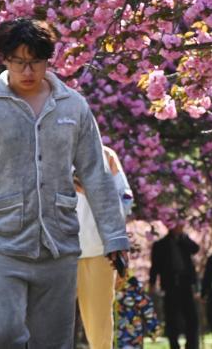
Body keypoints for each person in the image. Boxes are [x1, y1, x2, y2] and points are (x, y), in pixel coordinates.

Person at [0, 18, 130, 349]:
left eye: (36, 62)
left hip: (58, 243)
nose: (28, 71)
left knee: (52, 342)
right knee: (1, 332)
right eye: (19, 62)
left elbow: (96, 174)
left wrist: (114, 236)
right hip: (0, 239)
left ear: (48, 60)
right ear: (5, 60)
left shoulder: (73, 106)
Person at [76, 145, 133, 349]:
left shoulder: (105, 154)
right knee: (48, 325)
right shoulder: (45, 144)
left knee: (99, 329)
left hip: (97, 249)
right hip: (55, 249)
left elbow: (125, 197)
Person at [149, 224, 200, 349]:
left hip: (186, 284)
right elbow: (155, 266)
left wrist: (183, 236)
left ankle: (192, 346)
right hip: (169, 285)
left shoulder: (184, 241)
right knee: (171, 319)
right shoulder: (160, 245)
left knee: (192, 318)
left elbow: (195, 249)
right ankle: (174, 346)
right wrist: (152, 283)